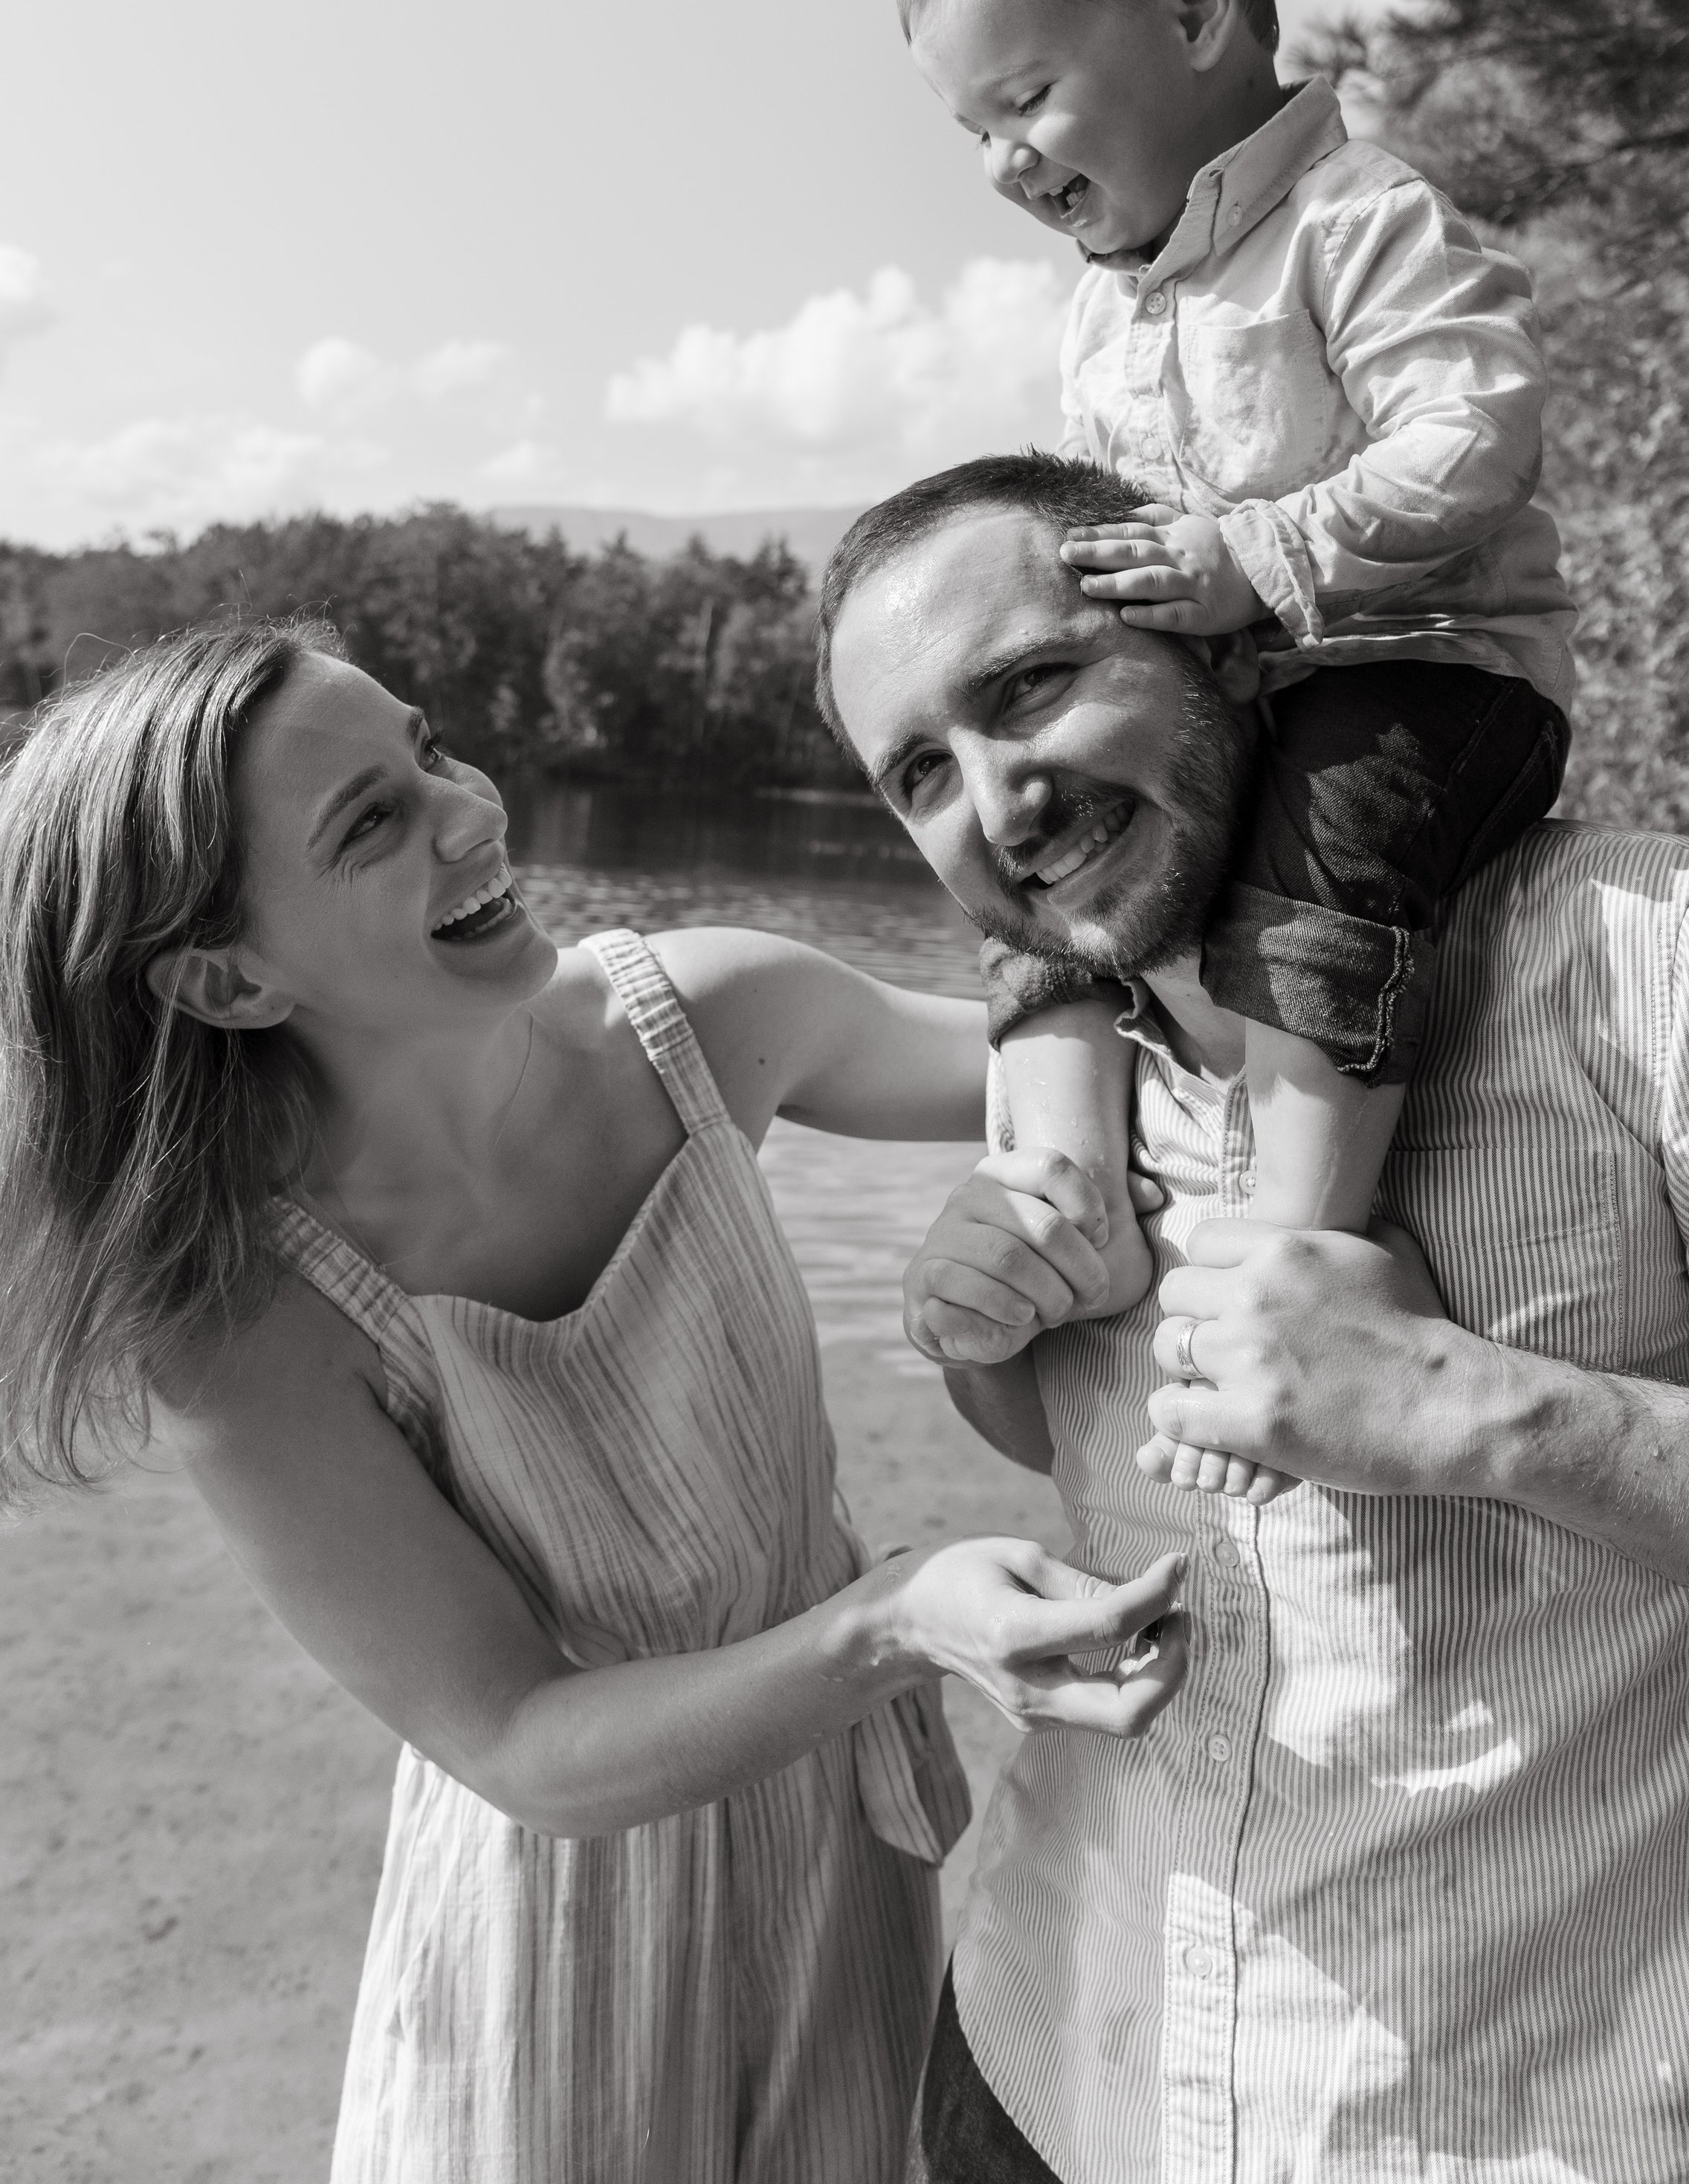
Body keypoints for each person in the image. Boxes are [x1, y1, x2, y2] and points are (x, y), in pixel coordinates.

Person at [0, 618, 1187, 2184]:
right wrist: (896, 1623)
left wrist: (1047, 1170)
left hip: (840, 1856)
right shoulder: (242, 1319)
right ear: (225, 979)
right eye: (372, 820)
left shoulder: (707, 1016)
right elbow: (516, 1738)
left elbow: (1123, 1057)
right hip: (553, 1935)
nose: (469, 810)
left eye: (427, 748)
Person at [818, 450, 1689, 2184]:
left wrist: (1480, 1409)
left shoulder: (1671, 953)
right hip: (1044, 2058)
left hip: (1497, 2130)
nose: (1001, 804)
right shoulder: (1055, 1078)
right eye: (921, 770)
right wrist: (987, 1340)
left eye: (1030, 688)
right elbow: (1084, 1457)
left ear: (1228, 647)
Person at [897, 0, 1575, 1498]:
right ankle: (1065, 1192)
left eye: (1024, 97)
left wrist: (1262, 557)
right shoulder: (1100, 318)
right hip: (1238, 687)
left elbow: (1474, 431)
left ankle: (1283, 1251)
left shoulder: (1353, 221)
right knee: (1040, 834)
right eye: (970, 129)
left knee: (1331, 838)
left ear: (1195, 11)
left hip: (1422, 667)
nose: (1000, 162)